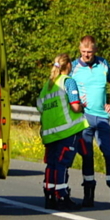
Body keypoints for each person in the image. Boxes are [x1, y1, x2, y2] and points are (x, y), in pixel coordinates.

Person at [71, 36, 110, 208]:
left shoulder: (104, 64)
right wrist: (75, 101)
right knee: (87, 155)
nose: (86, 55)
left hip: (102, 117)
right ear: (79, 50)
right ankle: (88, 194)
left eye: (89, 52)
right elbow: (66, 86)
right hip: (84, 118)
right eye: (83, 52)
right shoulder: (74, 66)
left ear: (95, 51)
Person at [37, 54, 87, 210]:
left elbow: (40, 107)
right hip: (67, 131)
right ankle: (62, 197)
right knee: (62, 165)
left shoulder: (48, 85)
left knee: (51, 164)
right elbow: (75, 106)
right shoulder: (68, 81)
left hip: (50, 133)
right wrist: (82, 105)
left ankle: (50, 195)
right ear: (69, 66)